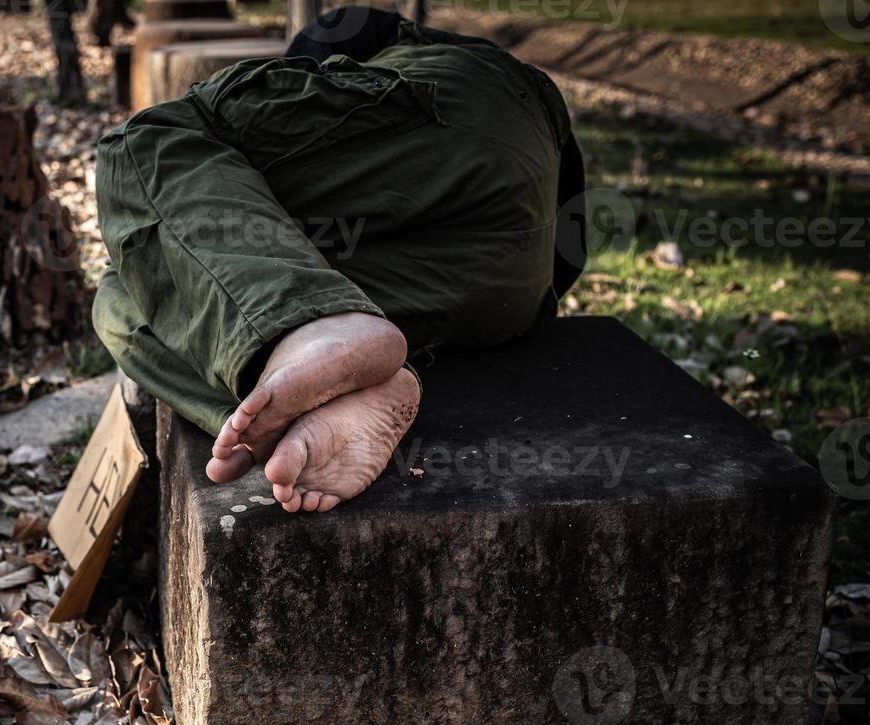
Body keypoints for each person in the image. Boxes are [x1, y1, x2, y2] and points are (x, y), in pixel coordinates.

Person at [92, 6, 586, 512]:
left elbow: (192, 130)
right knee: (128, 294)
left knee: (140, 144)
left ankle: (305, 336)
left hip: (464, 117)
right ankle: (321, 390)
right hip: (513, 285)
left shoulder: (377, 49)